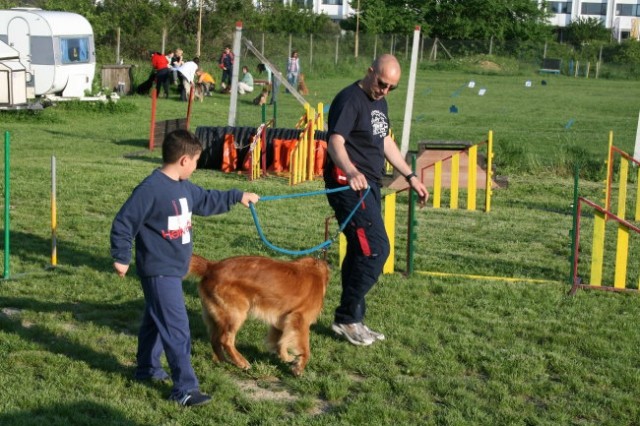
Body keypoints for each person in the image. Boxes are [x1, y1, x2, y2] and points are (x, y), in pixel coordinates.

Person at [110, 129, 260, 407]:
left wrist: (237, 196)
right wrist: (121, 256)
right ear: (183, 160)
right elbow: (123, 222)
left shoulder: (184, 186)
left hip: (173, 269)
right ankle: (185, 389)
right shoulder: (151, 189)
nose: (196, 166)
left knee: (156, 321)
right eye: (195, 161)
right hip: (158, 271)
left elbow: (206, 200)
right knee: (177, 328)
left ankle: (146, 369)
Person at [323, 54, 429, 346]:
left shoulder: (379, 101)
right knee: (376, 251)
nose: (385, 91)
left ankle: (353, 320)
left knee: (361, 250)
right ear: (370, 72)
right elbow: (335, 142)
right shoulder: (349, 99)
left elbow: (384, 141)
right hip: (348, 186)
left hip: (369, 184)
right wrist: (351, 170)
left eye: (392, 87)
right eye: (382, 84)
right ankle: (346, 318)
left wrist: (410, 176)